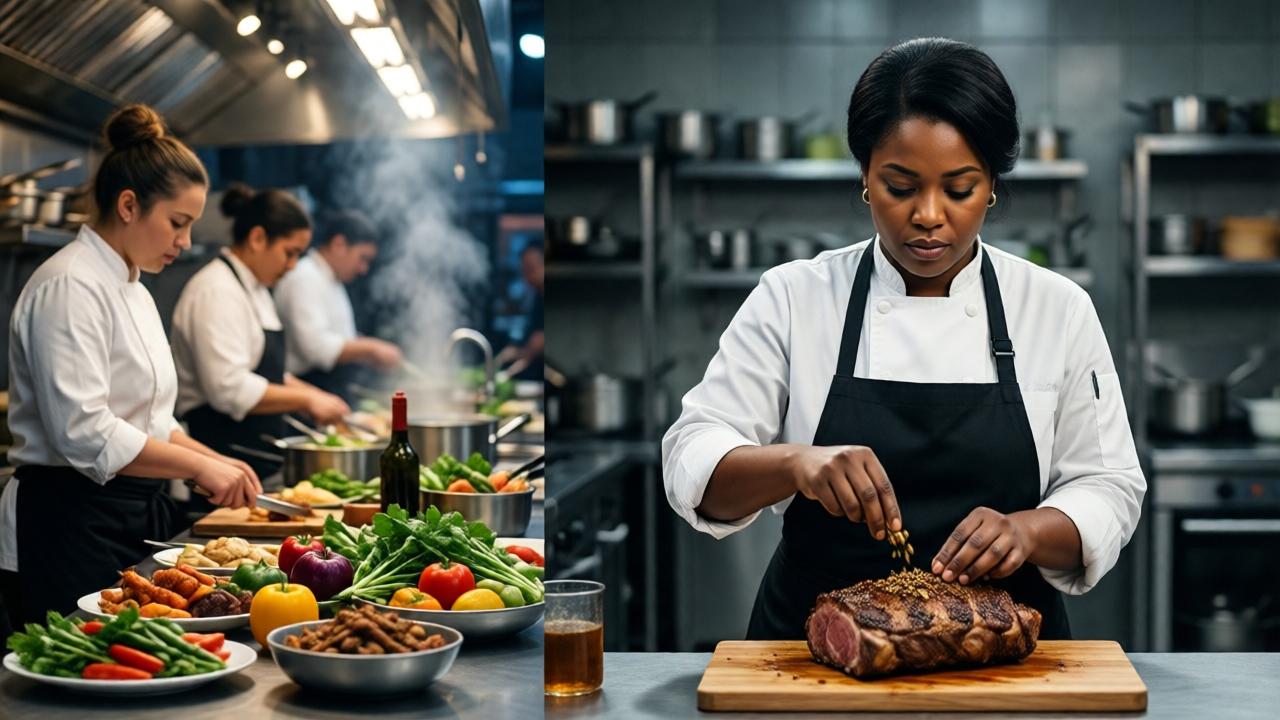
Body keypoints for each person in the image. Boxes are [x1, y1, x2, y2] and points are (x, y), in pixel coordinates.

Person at [661, 38, 1146, 641]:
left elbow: (1110, 487)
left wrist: (1029, 531)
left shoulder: (1056, 307)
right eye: (900, 185)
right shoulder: (794, 296)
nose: (928, 214)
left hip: (1000, 649)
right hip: (815, 650)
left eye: (960, 188)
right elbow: (691, 458)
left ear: (992, 183)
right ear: (865, 175)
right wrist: (795, 463)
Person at [0, 105, 261, 629]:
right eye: (177, 223)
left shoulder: (133, 286)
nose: (185, 242)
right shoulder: (70, 285)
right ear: (127, 205)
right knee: (81, 687)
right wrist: (196, 468)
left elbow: (150, 418)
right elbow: (85, 433)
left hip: (126, 513)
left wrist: (215, 461)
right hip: (68, 520)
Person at [171, 183, 349, 483]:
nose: (292, 266)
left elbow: (265, 373)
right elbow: (228, 389)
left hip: (254, 462)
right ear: (257, 238)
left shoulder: (255, 289)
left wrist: (313, 394)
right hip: (219, 462)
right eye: (289, 253)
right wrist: (304, 401)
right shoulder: (216, 290)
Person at [273, 209, 402, 399]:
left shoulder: (332, 279)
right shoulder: (304, 277)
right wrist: (371, 348)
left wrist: (366, 354)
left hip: (331, 388)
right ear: (339, 244)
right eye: (362, 258)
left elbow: (340, 337)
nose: (363, 269)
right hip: (306, 389)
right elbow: (316, 348)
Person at [495, 241, 544, 381]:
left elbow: (538, 341)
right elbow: (533, 342)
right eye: (525, 271)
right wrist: (516, 352)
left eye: (531, 269)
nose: (527, 277)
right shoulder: (537, 297)